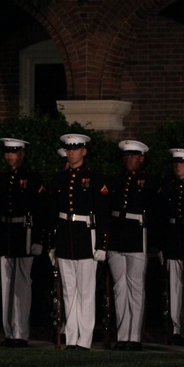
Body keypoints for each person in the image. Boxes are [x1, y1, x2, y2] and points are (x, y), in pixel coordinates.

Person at [49, 134, 110, 351]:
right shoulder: (59, 179)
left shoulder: (94, 178)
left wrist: (102, 243)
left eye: (75, 148)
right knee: (68, 291)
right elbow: (53, 214)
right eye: (68, 149)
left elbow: (102, 213)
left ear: (84, 151)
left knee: (85, 291)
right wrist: (52, 244)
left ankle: (84, 339)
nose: (71, 152)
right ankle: (72, 337)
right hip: (66, 237)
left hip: (86, 237)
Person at [0, 137, 46, 347]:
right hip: (6, 234)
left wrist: (39, 239)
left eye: (13, 152)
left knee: (22, 285)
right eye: (7, 152)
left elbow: (40, 210)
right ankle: (9, 331)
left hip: (25, 234)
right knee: (6, 285)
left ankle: (21, 333)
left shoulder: (32, 178)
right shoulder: (1, 178)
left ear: (22, 154)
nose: (9, 156)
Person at [106, 139, 158, 351]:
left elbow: (155, 211)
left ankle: (134, 336)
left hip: (138, 235)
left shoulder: (149, 181)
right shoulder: (115, 180)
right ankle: (123, 334)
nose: (130, 159)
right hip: (117, 235)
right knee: (120, 287)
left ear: (142, 158)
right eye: (127, 156)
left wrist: (154, 242)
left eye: (134, 156)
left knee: (135, 286)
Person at [157, 148, 184, 346]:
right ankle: (176, 328)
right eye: (176, 163)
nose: (178, 166)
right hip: (173, 239)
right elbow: (162, 218)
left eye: (182, 163)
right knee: (174, 286)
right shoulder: (167, 186)